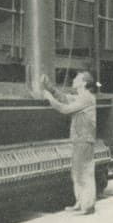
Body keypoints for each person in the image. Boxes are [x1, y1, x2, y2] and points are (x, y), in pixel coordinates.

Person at [41, 72, 98, 215]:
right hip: (80, 139)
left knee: (84, 173)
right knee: (77, 172)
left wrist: (49, 98)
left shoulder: (86, 97)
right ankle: (80, 203)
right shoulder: (81, 96)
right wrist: (50, 87)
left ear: (83, 83)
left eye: (77, 78)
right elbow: (65, 99)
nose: (73, 79)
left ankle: (88, 206)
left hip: (84, 139)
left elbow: (64, 109)